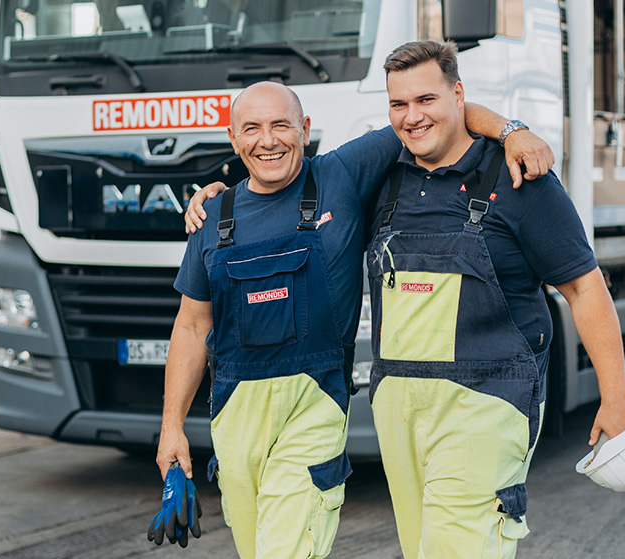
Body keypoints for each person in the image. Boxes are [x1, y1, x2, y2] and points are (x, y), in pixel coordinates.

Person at [157, 79, 554, 559]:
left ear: (304, 129)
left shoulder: (340, 176)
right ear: (233, 138)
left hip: (313, 406)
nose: (268, 141)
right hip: (235, 420)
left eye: (281, 125)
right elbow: (192, 326)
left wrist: (511, 131)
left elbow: (435, 113)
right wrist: (172, 427)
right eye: (252, 129)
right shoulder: (212, 216)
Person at [363, 41, 625, 559]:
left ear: (459, 94)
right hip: (399, 408)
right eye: (398, 104)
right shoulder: (381, 175)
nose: (412, 116)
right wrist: (219, 197)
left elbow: (584, 287)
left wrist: (616, 397)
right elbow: (290, 188)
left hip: (487, 403)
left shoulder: (520, 181)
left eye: (426, 99)